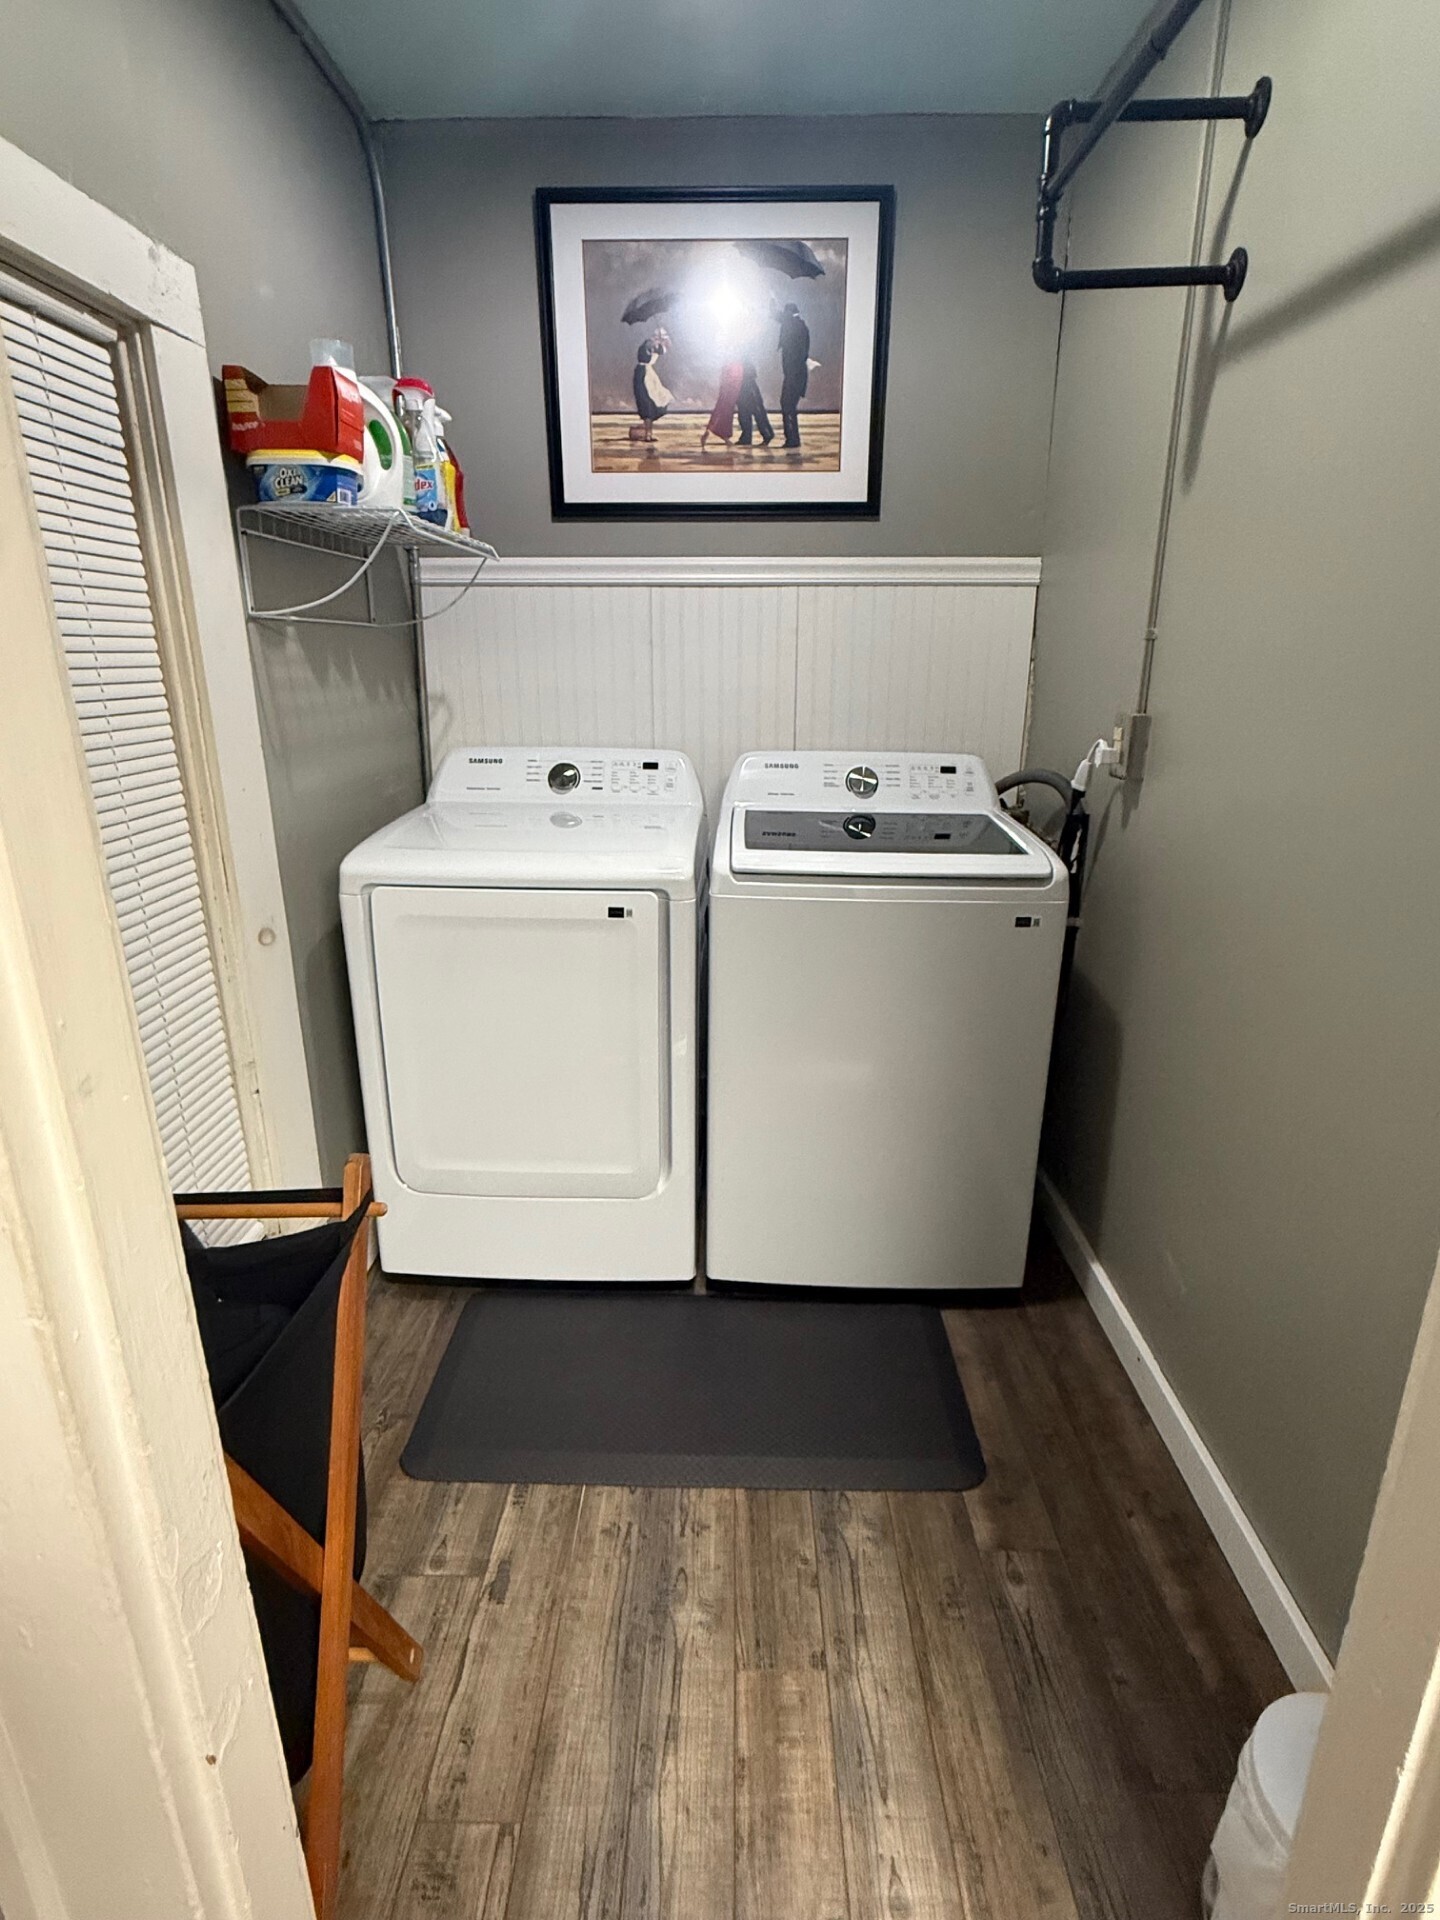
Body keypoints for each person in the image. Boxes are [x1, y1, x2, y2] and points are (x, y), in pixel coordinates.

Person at [778, 302, 810, 449]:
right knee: (788, 405)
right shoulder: (798, 326)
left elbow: (799, 354)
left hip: (794, 374)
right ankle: (792, 438)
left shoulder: (794, 327)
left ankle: (792, 439)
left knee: (787, 404)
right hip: (795, 373)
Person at [632, 330, 672, 442]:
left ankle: (648, 433)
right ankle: (647, 435)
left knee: (656, 401)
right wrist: (658, 342)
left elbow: (662, 350)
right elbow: (648, 353)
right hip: (643, 375)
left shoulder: (655, 345)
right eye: (657, 337)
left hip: (649, 374)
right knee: (647, 403)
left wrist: (664, 342)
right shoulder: (648, 344)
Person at [700, 358, 744, 450]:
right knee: (722, 412)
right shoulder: (732, 363)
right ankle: (722, 436)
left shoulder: (733, 363)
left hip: (731, 387)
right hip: (729, 388)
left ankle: (715, 435)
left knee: (722, 412)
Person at [735, 360, 773, 447]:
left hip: (745, 380)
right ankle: (750, 435)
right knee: (746, 410)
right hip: (744, 379)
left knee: (753, 409)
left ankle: (765, 433)